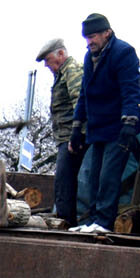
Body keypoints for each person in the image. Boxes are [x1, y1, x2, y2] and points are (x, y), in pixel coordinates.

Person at [68, 13, 140, 234]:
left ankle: (104, 222)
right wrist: (76, 128)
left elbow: (131, 89)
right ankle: (91, 220)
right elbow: (84, 94)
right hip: (97, 127)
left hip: (118, 127)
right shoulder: (89, 58)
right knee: (93, 176)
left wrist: (130, 122)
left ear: (106, 33)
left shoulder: (123, 52)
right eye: (87, 38)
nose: (89, 42)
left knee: (109, 175)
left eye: (93, 36)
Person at [36, 37, 86, 226]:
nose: (47, 65)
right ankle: (65, 219)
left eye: (48, 60)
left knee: (64, 180)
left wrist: (77, 133)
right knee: (64, 180)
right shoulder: (62, 74)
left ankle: (65, 223)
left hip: (71, 136)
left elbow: (78, 100)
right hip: (65, 135)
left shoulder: (71, 70)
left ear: (61, 54)